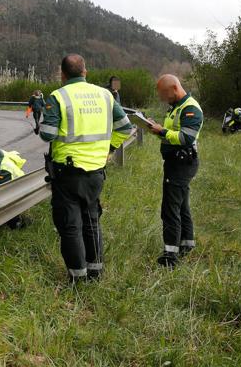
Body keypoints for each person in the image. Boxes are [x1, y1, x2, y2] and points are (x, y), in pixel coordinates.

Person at [39, 55, 133, 282]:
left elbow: (47, 134)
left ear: (62, 74)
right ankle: (95, 271)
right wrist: (108, 148)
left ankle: (77, 277)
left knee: (70, 225)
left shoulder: (58, 97)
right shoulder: (106, 95)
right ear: (85, 72)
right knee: (92, 221)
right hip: (96, 172)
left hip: (68, 173)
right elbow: (125, 128)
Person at [146, 74, 203, 268]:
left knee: (170, 209)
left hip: (181, 164)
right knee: (181, 206)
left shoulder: (190, 109)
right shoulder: (176, 107)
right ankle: (187, 244)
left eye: (164, 94)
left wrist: (161, 131)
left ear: (175, 88)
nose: (162, 98)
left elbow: (185, 138)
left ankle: (170, 256)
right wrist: (155, 128)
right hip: (175, 162)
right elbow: (171, 136)